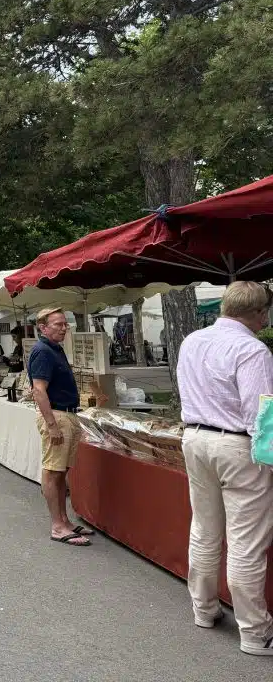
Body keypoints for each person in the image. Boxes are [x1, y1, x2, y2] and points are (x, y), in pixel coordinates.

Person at [178, 281, 273, 656]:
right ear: (258, 313)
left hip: (195, 437)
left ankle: (204, 608)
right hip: (236, 445)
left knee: (204, 528)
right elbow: (261, 416)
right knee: (245, 542)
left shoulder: (191, 340)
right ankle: (255, 632)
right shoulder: (253, 350)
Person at [28, 308, 94, 547]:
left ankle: (64, 520)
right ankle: (57, 525)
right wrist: (52, 425)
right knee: (52, 471)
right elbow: (38, 390)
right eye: (58, 324)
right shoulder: (43, 352)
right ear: (43, 327)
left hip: (66, 414)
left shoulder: (54, 349)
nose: (64, 328)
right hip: (57, 416)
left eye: (65, 324)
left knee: (60, 472)